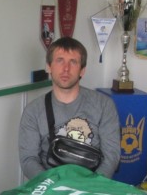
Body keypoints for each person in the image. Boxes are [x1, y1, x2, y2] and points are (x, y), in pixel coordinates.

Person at [18, 36, 120, 179]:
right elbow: (28, 160)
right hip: (50, 186)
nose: (66, 68)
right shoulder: (33, 111)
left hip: (92, 186)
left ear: (82, 70)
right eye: (60, 60)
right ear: (48, 67)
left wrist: (91, 186)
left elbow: (111, 157)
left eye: (73, 62)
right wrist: (52, 185)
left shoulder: (104, 105)